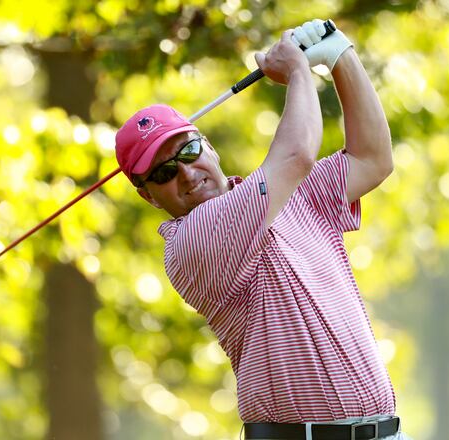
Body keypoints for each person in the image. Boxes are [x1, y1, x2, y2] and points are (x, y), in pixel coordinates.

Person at [115, 20, 409, 440]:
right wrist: (297, 71)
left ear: (209, 147)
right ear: (149, 196)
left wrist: (340, 56)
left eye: (189, 150)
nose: (185, 172)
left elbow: (373, 158)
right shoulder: (193, 240)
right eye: (163, 171)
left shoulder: (291, 193)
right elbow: (297, 153)